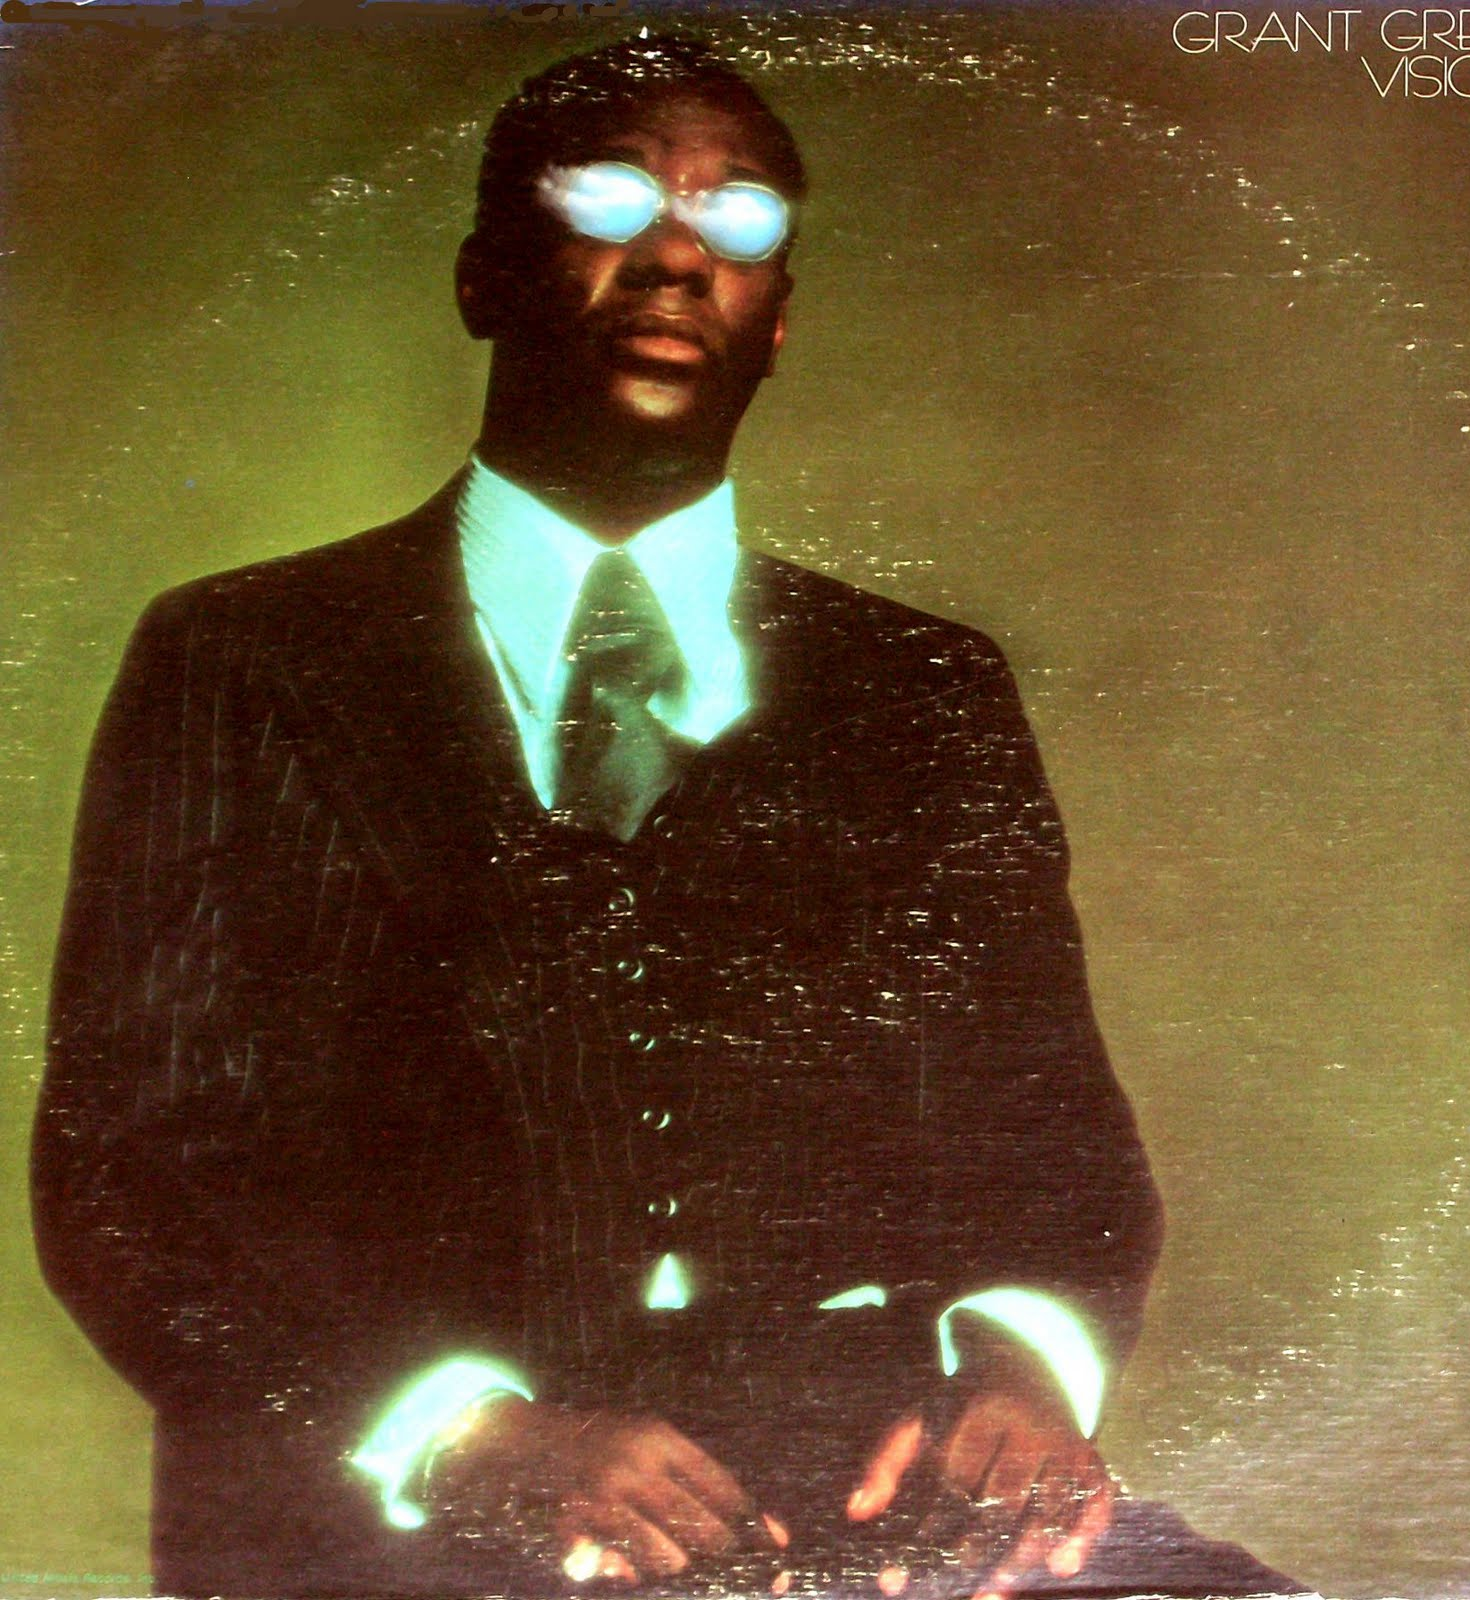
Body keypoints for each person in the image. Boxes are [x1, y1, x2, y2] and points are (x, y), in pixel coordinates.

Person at [34, 35, 1297, 1600]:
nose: (680, 253)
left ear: (781, 321)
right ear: (484, 277)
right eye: (611, 197)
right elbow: (129, 1182)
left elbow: (1056, 1146)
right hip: (397, 1521)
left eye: (740, 217)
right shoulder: (241, 660)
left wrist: (1024, 1376)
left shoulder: (926, 689)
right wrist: (465, 1434)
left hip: (866, 1497)